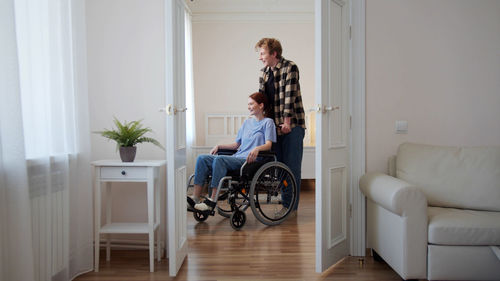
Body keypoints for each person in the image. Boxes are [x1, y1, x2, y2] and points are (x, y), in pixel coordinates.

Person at [188, 92, 276, 212]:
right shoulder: (247, 123)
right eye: (248, 104)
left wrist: (257, 148)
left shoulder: (268, 122)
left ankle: (211, 201)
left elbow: (269, 144)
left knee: (220, 159)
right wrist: (219, 146)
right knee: (202, 158)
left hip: (250, 161)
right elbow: (236, 145)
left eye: (251, 104)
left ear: (261, 105)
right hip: (237, 157)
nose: (249, 107)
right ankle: (195, 198)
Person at [255, 38, 305, 214]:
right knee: (280, 167)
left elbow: (288, 97)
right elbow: (262, 102)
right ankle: (286, 203)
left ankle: (290, 207)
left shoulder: (290, 67)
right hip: (275, 127)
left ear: (274, 53)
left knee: (292, 167)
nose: (260, 57)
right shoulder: (264, 73)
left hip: (292, 126)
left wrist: (287, 122)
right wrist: (260, 124)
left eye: (262, 53)